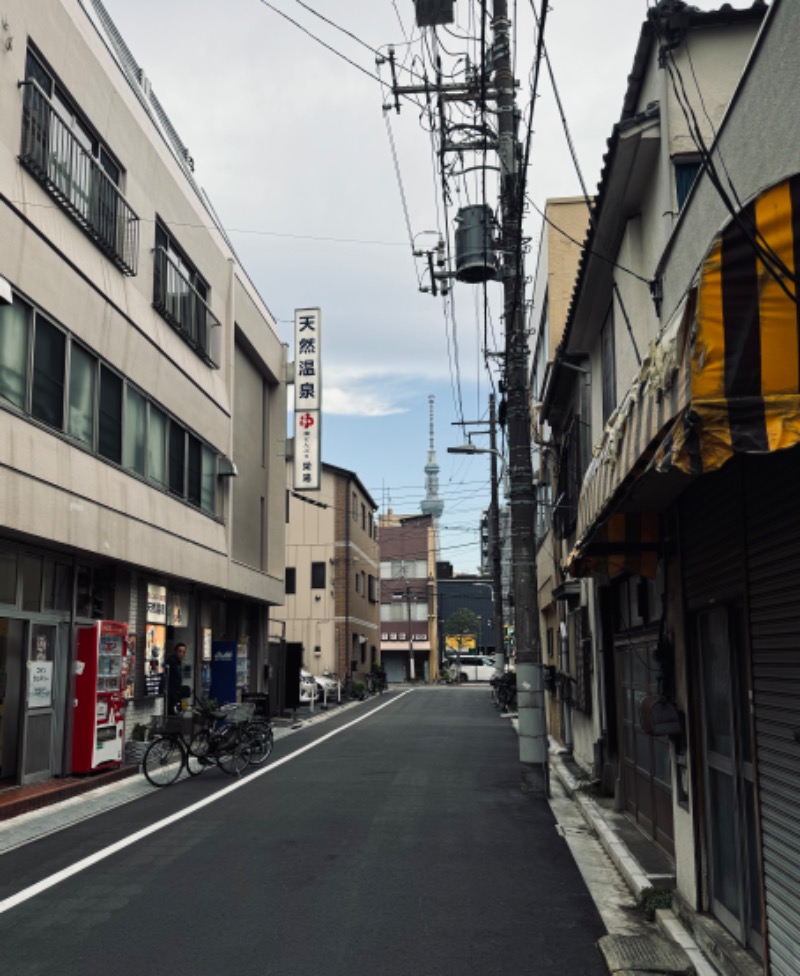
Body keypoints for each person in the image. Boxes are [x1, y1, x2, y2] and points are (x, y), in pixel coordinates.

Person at [163, 642, 188, 714]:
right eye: (180, 651)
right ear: (175, 651)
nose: (181, 654)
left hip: (177, 692)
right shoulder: (171, 661)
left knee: (178, 711)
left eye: (183, 652)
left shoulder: (179, 662)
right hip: (171, 693)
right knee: (172, 713)